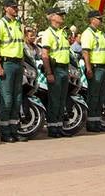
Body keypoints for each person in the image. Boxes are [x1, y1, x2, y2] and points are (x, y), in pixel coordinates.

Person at [0, 0, 25, 143]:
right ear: (6, 8)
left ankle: (14, 130)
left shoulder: (18, 24)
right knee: (7, 99)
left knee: (17, 99)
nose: (16, 9)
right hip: (7, 63)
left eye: (16, 7)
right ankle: (5, 132)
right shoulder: (1, 24)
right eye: (13, 7)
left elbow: (20, 46)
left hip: (17, 63)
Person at [38, 8, 72, 137]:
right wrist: (49, 73)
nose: (62, 17)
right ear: (52, 17)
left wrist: (68, 70)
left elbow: (66, 53)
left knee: (62, 100)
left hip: (64, 68)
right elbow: (45, 54)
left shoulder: (62, 33)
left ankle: (59, 126)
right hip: (55, 69)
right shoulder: (48, 33)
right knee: (54, 100)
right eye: (60, 15)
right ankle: (52, 128)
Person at [79, 11, 105, 132]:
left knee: (100, 96)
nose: (100, 21)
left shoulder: (99, 33)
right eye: (98, 19)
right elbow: (86, 52)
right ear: (92, 20)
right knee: (94, 96)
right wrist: (88, 68)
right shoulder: (88, 33)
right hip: (95, 67)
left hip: (103, 67)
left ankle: (97, 121)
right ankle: (91, 122)